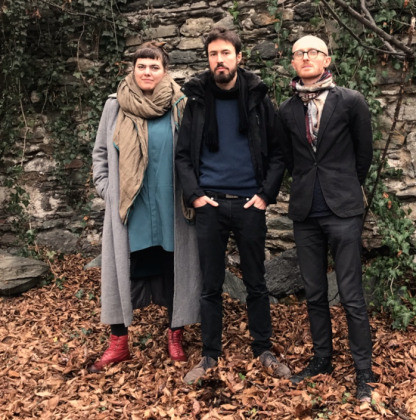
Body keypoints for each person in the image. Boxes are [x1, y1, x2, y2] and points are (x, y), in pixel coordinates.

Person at [176, 27, 290, 384]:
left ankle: (263, 349)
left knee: (256, 281)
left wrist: (265, 196)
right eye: (213, 54)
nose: (219, 60)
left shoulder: (257, 98)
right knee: (210, 284)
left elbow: (278, 153)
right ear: (208, 60)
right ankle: (209, 354)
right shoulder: (196, 100)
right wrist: (196, 195)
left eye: (225, 53)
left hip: (249, 205)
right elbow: (182, 156)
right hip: (210, 205)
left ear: (239, 57)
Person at [89, 42, 202, 372]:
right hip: (130, 207)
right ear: (133, 69)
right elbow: (100, 153)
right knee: (123, 270)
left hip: (171, 205)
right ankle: (118, 342)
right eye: (142, 66)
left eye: (154, 66)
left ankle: (175, 334)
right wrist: (107, 190)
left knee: (173, 265)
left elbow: (195, 152)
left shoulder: (180, 104)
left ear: (165, 71)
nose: (147, 72)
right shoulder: (115, 105)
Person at [277, 35, 376, 401]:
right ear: (293, 63)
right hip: (306, 213)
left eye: (313, 52)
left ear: (326, 59)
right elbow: (289, 159)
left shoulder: (350, 101)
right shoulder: (286, 110)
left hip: (343, 211)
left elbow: (363, 154)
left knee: (351, 293)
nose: (306, 57)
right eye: (299, 53)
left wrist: (345, 185)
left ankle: (363, 370)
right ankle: (322, 359)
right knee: (315, 292)